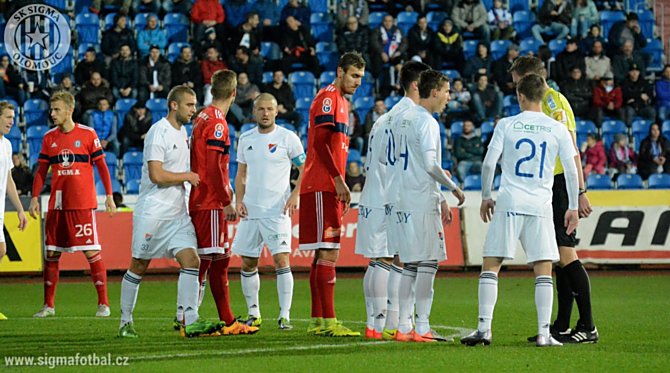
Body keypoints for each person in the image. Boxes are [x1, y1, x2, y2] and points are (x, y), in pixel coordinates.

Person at [460, 73, 580, 347]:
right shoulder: (556, 128)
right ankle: (543, 333)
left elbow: (490, 163)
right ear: (542, 96)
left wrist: (486, 196)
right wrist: (572, 205)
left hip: (510, 201)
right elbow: (571, 170)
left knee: (492, 264)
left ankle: (484, 329)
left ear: (520, 96)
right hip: (540, 205)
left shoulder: (506, 124)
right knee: (543, 268)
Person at [509, 56, 598, 344]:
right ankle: (560, 325)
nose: (515, 90)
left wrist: (579, 192)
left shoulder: (551, 102)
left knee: (565, 252)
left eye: (516, 83)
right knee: (557, 256)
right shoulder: (547, 101)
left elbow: (570, 146)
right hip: (551, 182)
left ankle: (588, 326)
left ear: (527, 78)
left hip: (560, 182)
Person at [118, 86, 215, 338]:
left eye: (195, 105)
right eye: (189, 105)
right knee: (139, 265)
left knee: (192, 261)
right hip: (153, 212)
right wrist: (187, 176)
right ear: (174, 105)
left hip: (177, 213)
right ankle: (125, 322)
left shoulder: (184, 132)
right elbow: (156, 175)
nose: (194, 110)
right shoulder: (158, 131)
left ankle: (189, 319)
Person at [356, 61, 432, 341]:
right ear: (416, 85)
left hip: (373, 193)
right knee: (401, 261)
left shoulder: (382, 118)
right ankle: (400, 324)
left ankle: (374, 324)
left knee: (379, 260)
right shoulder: (415, 117)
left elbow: (369, 160)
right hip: (397, 197)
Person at [388, 70, 465, 342]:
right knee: (429, 262)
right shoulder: (428, 122)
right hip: (420, 200)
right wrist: (453, 187)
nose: (448, 97)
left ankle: (403, 326)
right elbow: (431, 165)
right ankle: (422, 326)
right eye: (446, 91)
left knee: (411, 263)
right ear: (434, 92)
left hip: (401, 197)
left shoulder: (400, 119)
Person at [29, 91, 116, 319]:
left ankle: (103, 304)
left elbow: (102, 167)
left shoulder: (87, 134)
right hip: (57, 205)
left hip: (81, 204)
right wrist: (35, 197)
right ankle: (48, 306)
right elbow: (40, 172)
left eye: (57, 109)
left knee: (91, 251)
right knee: (51, 253)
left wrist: (109, 195)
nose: (52, 113)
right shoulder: (49, 137)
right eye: (51, 109)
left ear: (70, 110)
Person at [187, 71, 259, 336]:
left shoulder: (201, 117)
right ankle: (215, 320)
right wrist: (225, 200)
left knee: (207, 262)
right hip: (209, 202)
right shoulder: (217, 122)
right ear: (233, 94)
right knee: (218, 261)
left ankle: (195, 316)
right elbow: (214, 167)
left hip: (200, 199)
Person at [300, 52, 366, 337]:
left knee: (321, 254)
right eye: (353, 75)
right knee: (329, 251)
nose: (357, 82)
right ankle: (330, 321)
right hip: (323, 184)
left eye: (361, 77)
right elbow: (320, 143)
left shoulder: (341, 101)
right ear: (340, 72)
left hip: (325, 184)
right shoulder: (329, 97)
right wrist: (339, 180)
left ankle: (318, 320)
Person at [232, 93, 305, 330]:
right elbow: (241, 173)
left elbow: (305, 168)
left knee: (281, 260)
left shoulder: (288, 137)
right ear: (254, 112)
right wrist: (239, 200)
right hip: (250, 211)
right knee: (247, 263)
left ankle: (285, 315)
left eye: (269, 109)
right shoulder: (245, 138)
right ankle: (254, 313)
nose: (265, 113)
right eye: (261, 109)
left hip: (277, 210)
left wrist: (295, 194)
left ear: (276, 111)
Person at [0, 102, 29, 321]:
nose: (12, 121)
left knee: (1, 250)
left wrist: (20, 209)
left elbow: (8, 179)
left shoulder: (7, 145)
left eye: (13, 117)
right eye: (8, 117)